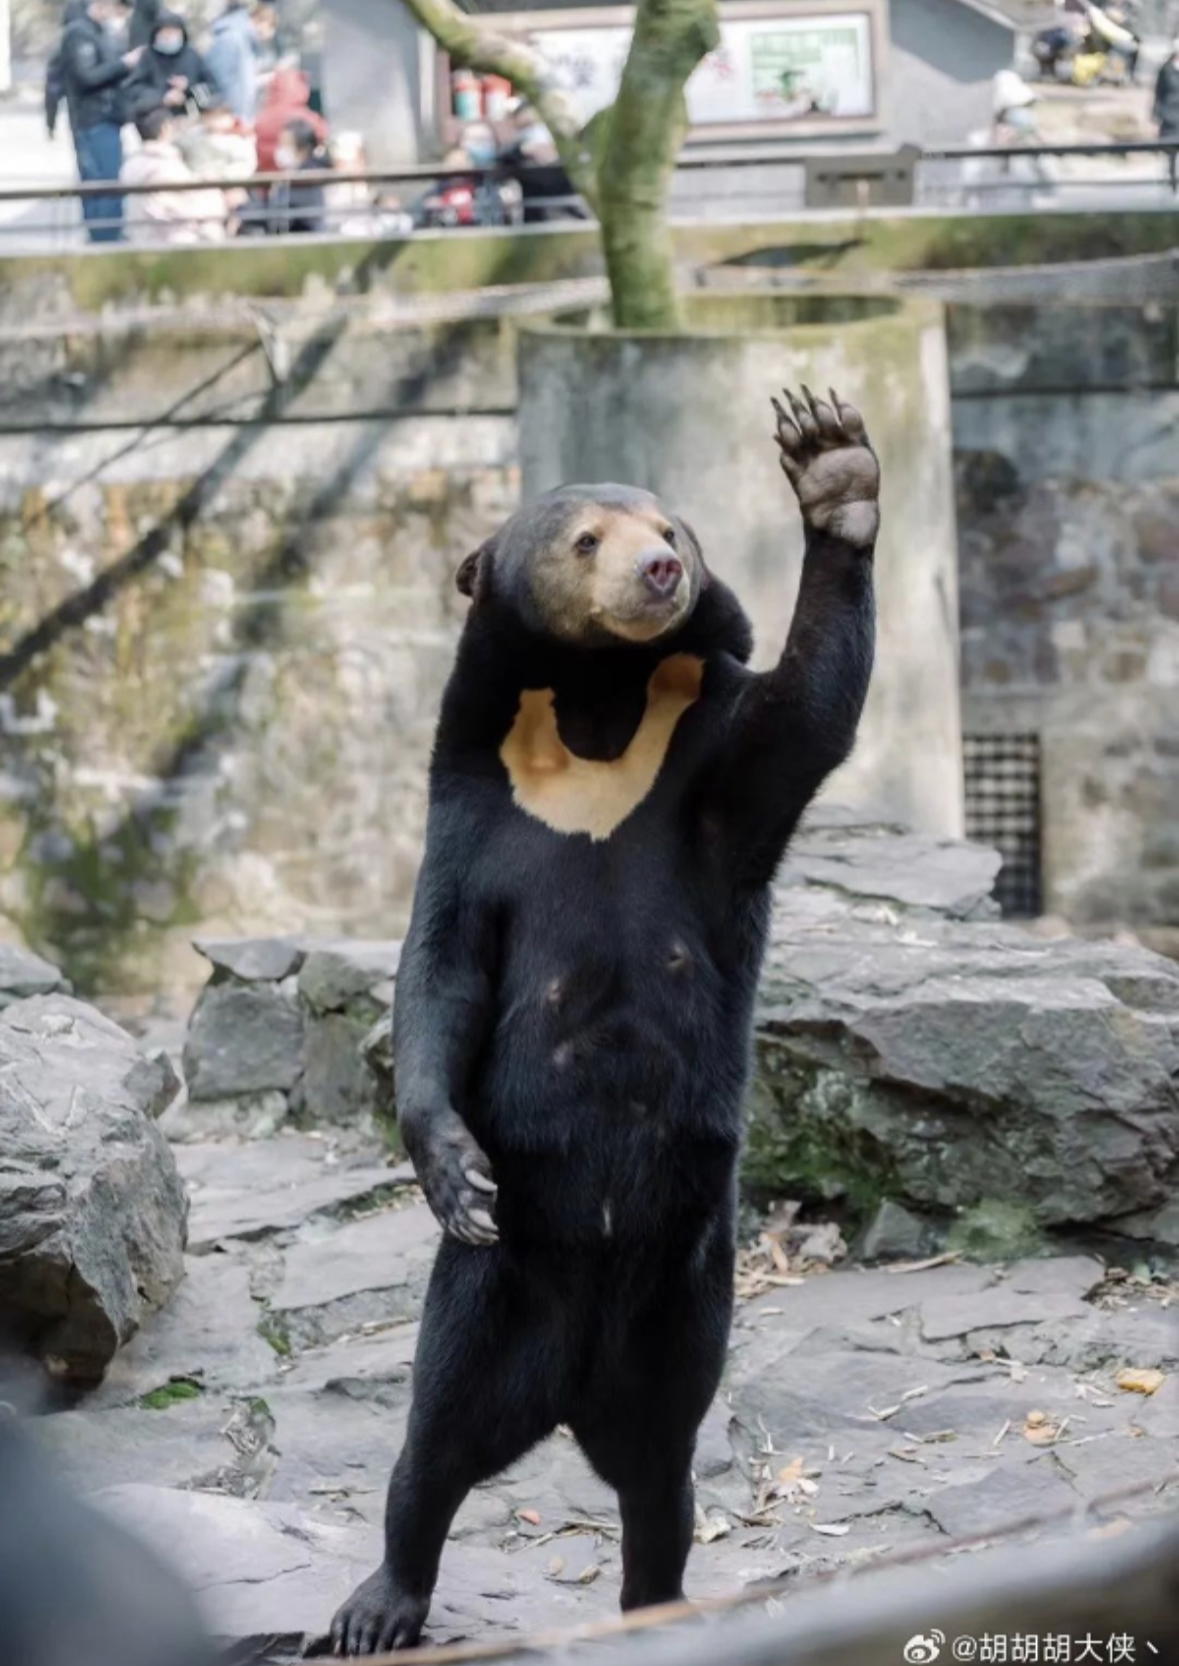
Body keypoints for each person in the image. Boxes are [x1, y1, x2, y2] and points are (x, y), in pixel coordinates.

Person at [61, 0, 144, 242]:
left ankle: (110, 232)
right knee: (100, 180)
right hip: (93, 119)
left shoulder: (101, 33)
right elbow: (87, 76)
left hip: (108, 118)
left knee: (110, 178)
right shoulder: (80, 34)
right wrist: (123, 64)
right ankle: (103, 236)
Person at [120, 105, 230, 243]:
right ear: (166, 128)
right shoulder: (165, 166)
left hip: (142, 236)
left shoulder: (131, 164)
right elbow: (174, 210)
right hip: (170, 240)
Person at [125, 10, 219, 124]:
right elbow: (134, 90)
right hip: (153, 122)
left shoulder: (192, 56)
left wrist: (189, 88)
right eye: (165, 33)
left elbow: (212, 88)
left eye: (174, 33)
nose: (169, 37)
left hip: (189, 121)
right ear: (156, 34)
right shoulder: (147, 56)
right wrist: (162, 98)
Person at [254, 60, 328, 172]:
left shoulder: (262, 119)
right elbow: (322, 135)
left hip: (268, 178)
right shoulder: (307, 118)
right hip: (302, 178)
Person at [205, 0, 261, 124]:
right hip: (228, 116)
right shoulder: (230, 38)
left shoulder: (243, 38)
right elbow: (220, 79)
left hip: (238, 116)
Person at [271, 117, 328, 233]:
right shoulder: (290, 175)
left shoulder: (310, 175)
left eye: (286, 144)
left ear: (303, 148)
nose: (281, 150)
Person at [44, 0, 87, 139]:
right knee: (56, 92)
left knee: (60, 93)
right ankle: (52, 125)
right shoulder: (76, 5)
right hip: (71, 50)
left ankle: (53, 125)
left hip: (76, 49)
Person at [1154, 38, 1179, 190]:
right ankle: (1172, 182)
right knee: (1171, 152)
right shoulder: (1166, 69)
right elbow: (1159, 91)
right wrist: (1157, 113)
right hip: (1170, 114)